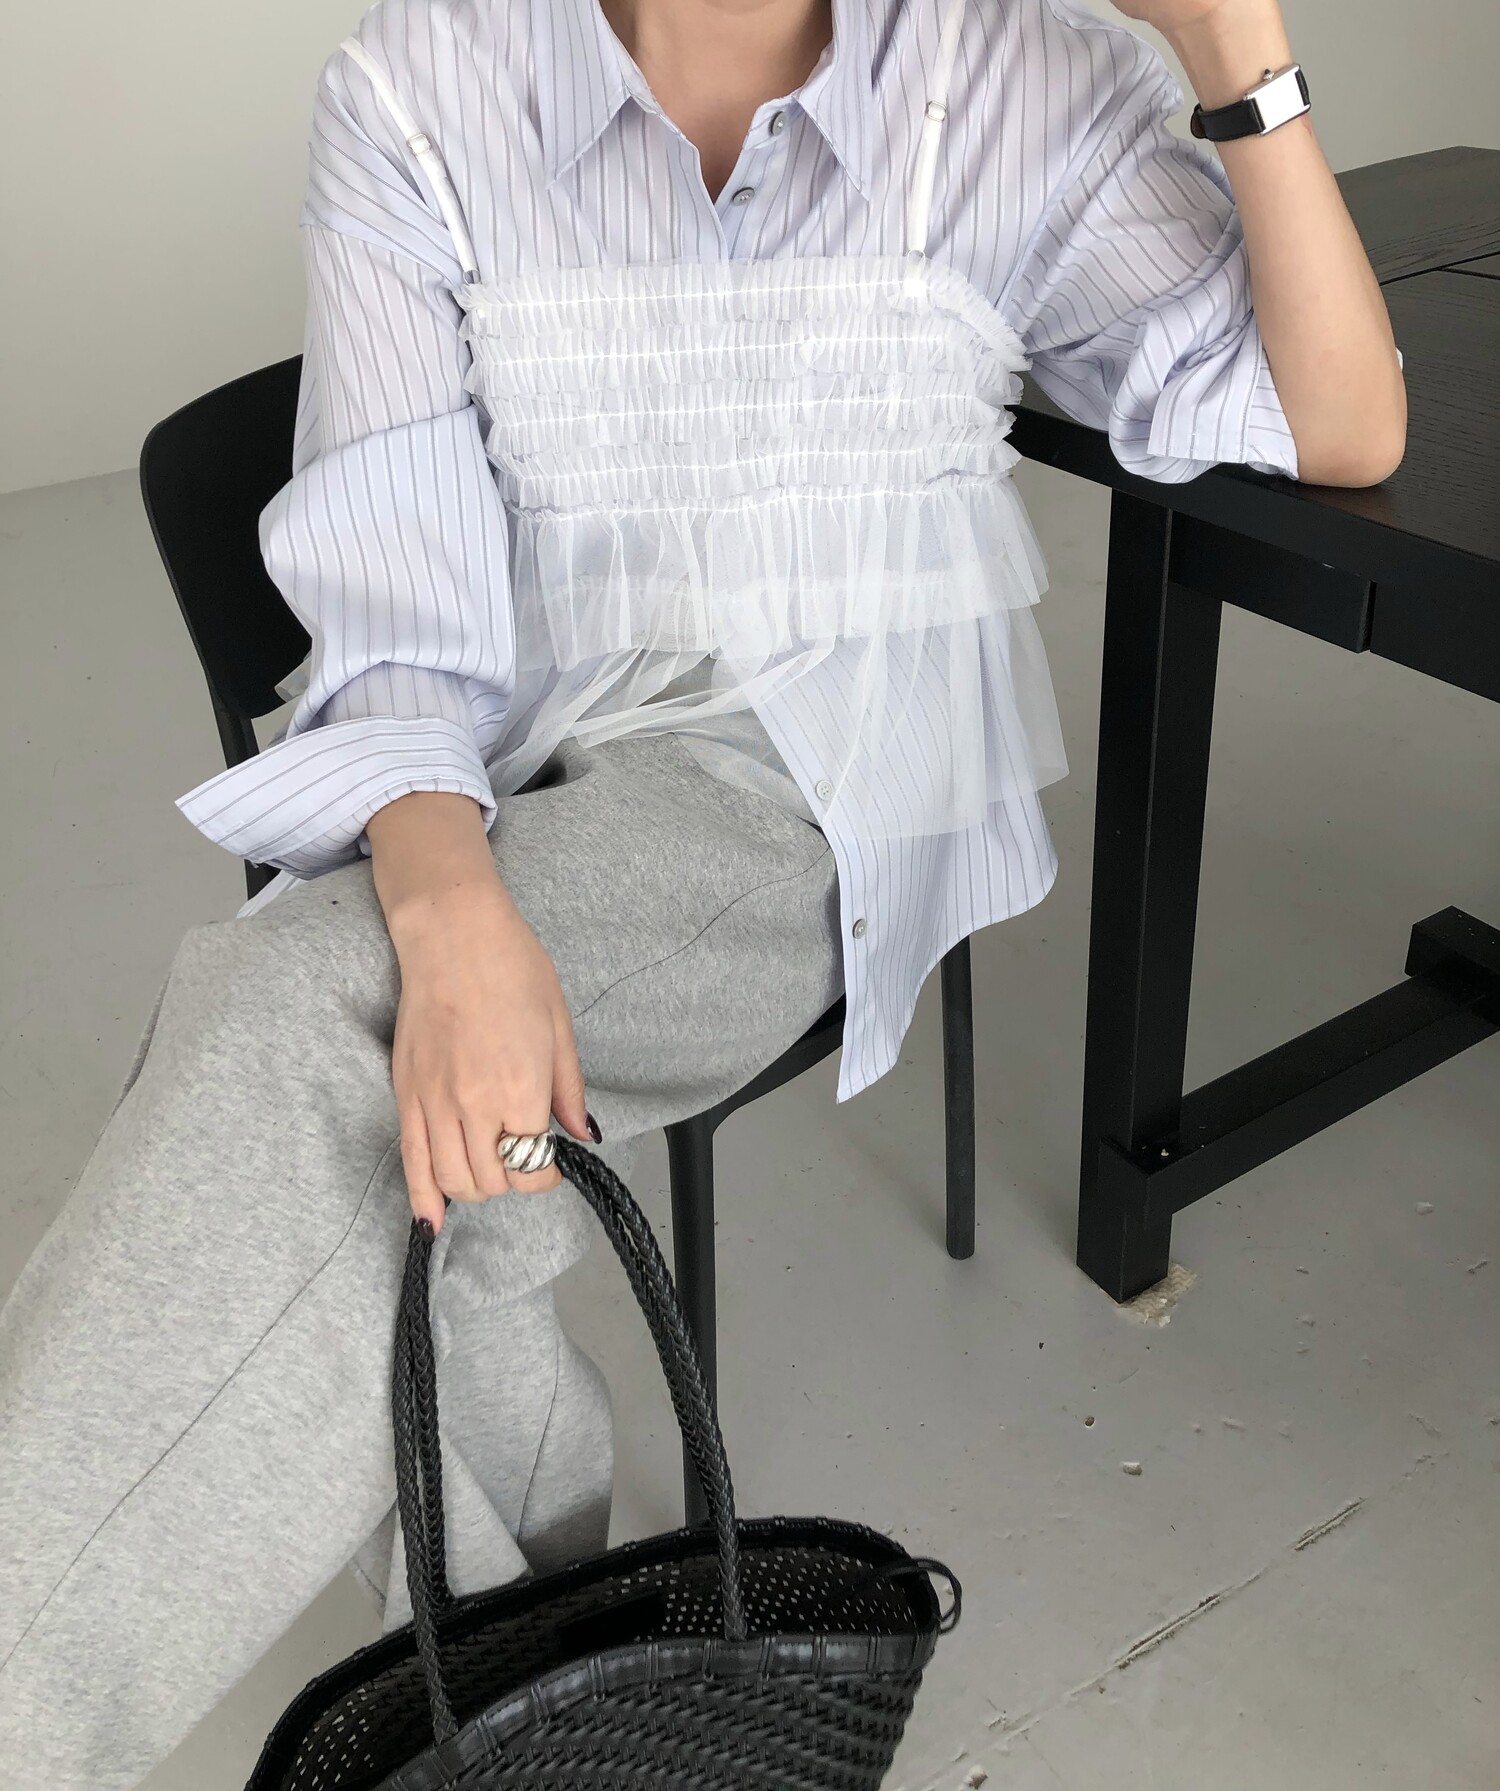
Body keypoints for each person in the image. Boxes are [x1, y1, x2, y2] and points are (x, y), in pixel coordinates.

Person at [0, 0, 1404, 1783]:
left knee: (291, 1020)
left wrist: (1233, 42)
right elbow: (401, 600)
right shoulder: (428, 81)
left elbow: (1342, 423)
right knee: (413, 1135)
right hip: (511, 739)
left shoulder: (1020, 80)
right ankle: (536, 1704)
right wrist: (450, 911)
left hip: (801, 785)